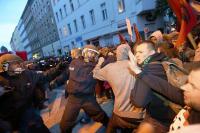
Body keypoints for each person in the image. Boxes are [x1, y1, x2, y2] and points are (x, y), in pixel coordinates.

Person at [128, 41, 184, 132]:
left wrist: (132, 94)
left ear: (152, 53)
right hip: (173, 114)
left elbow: (139, 102)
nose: (137, 55)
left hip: (160, 119)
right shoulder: (164, 60)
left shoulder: (148, 69)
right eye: (136, 52)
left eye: (141, 52)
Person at [0, 54, 64, 133]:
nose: (20, 65)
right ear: (7, 66)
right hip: (14, 124)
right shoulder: (1, 81)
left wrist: (58, 68)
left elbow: (44, 76)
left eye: (19, 63)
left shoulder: (26, 74)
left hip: (31, 116)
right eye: (16, 63)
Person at [93, 44, 145, 133]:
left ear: (117, 53)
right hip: (140, 116)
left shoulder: (110, 68)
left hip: (120, 114)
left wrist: (100, 62)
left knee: (111, 128)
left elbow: (95, 73)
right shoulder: (138, 66)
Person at [60, 45, 109, 133]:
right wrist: (57, 81)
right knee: (65, 124)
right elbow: (66, 74)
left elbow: (110, 62)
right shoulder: (75, 62)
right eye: (89, 52)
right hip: (73, 99)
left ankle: (111, 128)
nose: (91, 55)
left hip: (88, 98)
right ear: (84, 52)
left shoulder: (96, 65)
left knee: (100, 115)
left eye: (93, 53)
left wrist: (102, 61)